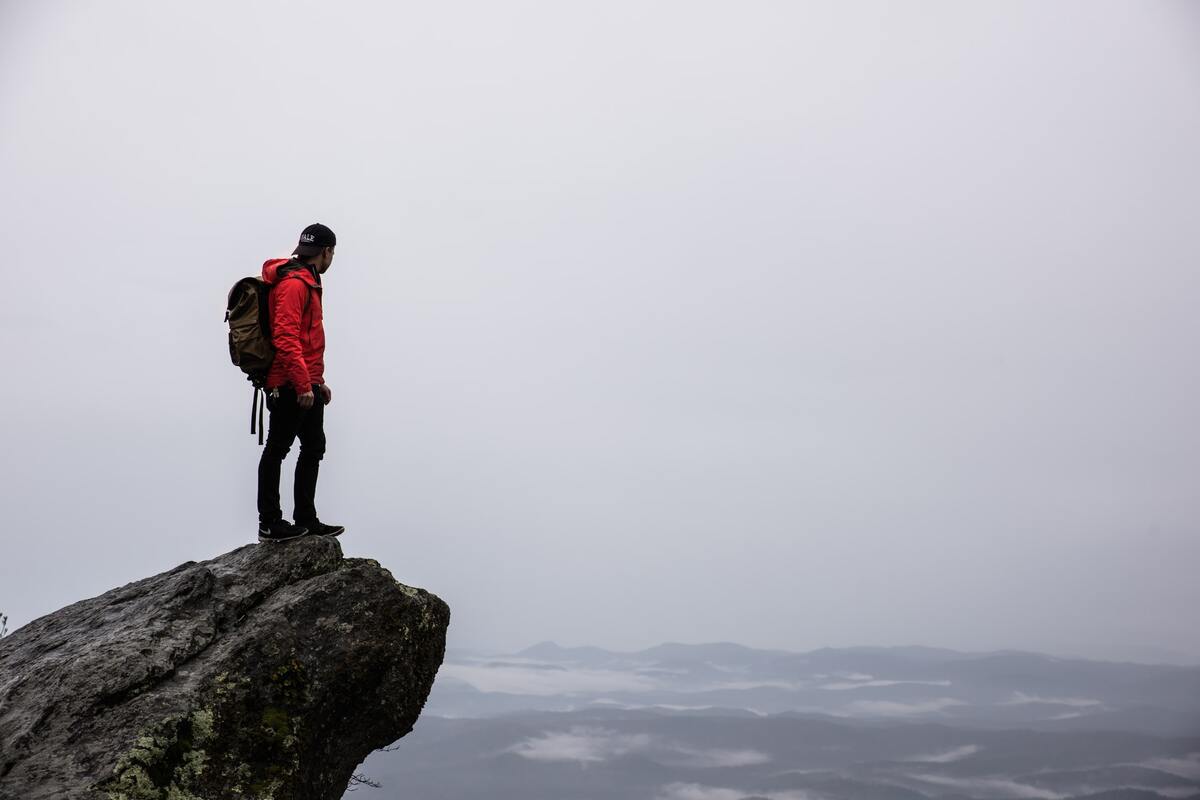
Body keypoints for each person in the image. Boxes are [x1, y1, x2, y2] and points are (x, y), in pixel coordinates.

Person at [256, 223, 345, 542]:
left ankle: (305, 519)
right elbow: (285, 337)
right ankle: (270, 522)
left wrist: (317, 382)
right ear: (327, 252)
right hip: (288, 383)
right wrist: (302, 383)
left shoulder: (308, 281)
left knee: (313, 447)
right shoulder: (294, 284)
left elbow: (307, 340)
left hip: (306, 382)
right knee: (278, 448)